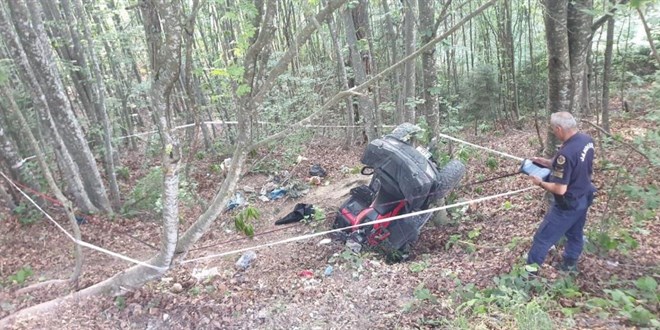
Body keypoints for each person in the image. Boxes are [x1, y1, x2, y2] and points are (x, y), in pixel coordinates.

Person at [527, 112, 596, 273]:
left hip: (568, 204)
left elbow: (560, 189)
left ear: (559, 128)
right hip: (584, 197)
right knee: (575, 234)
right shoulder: (586, 140)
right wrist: (547, 162)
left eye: (553, 129)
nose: (553, 132)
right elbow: (575, 163)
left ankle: (528, 276)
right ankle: (569, 266)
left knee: (542, 239)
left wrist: (540, 183)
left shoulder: (565, 154)